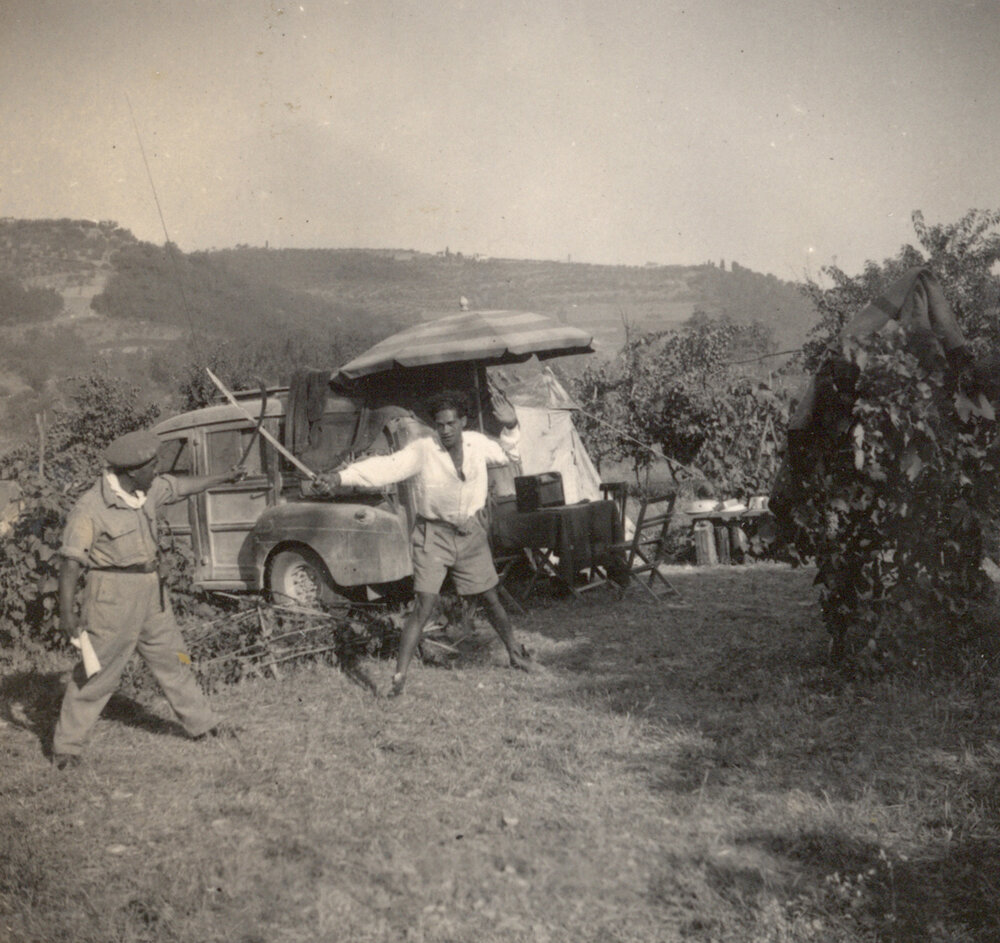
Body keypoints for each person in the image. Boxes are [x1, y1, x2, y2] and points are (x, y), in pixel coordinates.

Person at [316, 387, 532, 697]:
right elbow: (386, 468)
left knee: (491, 598)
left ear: (463, 422)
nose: (445, 431)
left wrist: (511, 426)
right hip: (433, 535)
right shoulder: (423, 449)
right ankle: (398, 680)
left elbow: (510, 454)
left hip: (470, 534)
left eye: (451, 424)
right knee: (423, 606)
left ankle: (516, 655)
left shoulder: (478, 445)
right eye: (440, 424)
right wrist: (340, 478)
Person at [51, 429, 245, 769]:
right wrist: (67, 612)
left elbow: (182, 486)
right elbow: (71, 563)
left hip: (152, 593)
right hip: (110, 598)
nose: (157, 470)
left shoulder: (147, 489)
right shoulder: (91, 508)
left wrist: (226, 477)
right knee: (98, 672)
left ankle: (203, 724)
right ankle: (67, 747)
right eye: (151, 465)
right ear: (129, 471)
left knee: (173, 659)